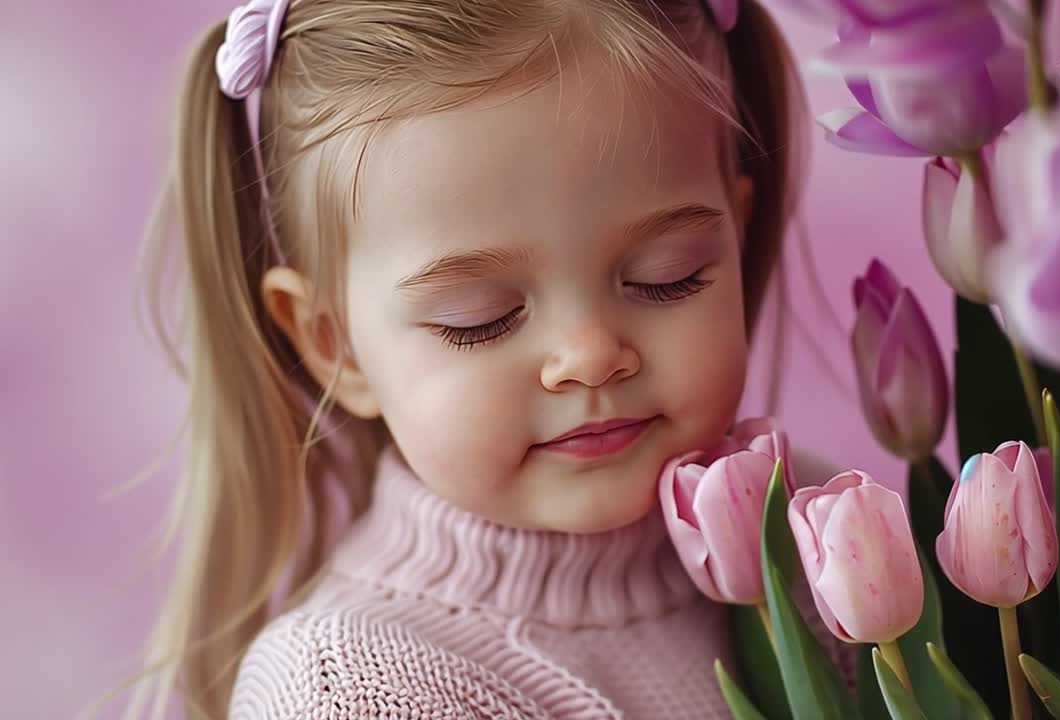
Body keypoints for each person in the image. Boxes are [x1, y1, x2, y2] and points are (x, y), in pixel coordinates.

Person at [123, 0, 850, 716]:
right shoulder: (349, 690)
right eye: (481, 319)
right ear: (332, 344)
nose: (591, 356)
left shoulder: (822, 536)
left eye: (669, 275)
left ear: (738, 233)